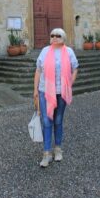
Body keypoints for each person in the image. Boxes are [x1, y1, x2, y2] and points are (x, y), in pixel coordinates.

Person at [33, 28, 79, 167]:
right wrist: (35, 90)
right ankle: (46, 154)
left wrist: (69, 84)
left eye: (57, 36)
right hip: (44, 91)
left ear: (63, 38)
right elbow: (38, 70)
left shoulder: (69, 52)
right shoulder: (45, 51)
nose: (54, 37)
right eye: (52, 35)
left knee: (58, 120)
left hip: (61, 92)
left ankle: (58, 149)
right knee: (47, 121)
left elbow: (75, 68)